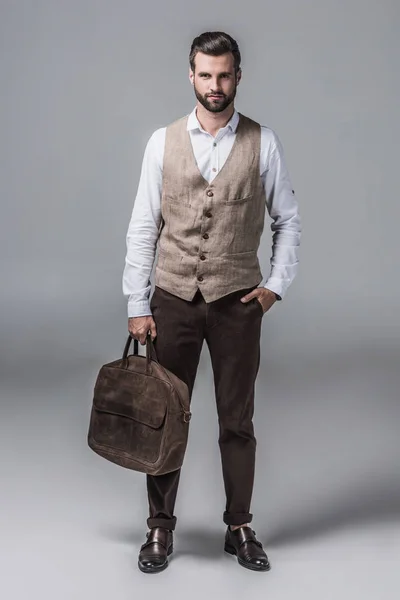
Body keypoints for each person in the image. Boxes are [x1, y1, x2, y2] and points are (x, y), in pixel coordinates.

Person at [122, 30, 302, 574]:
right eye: (205, 74)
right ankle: (159, 527)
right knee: (164, 417)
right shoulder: (162, 141)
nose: (215, 85)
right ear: (191, 75)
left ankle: (239, 525)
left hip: (235, 303)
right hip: (172, 298)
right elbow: (142, 226)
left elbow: (287, 221)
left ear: (238, 77)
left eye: (224, 75)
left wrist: (274, 287)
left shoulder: (263, 142)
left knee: (236, 420)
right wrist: (138, 301)